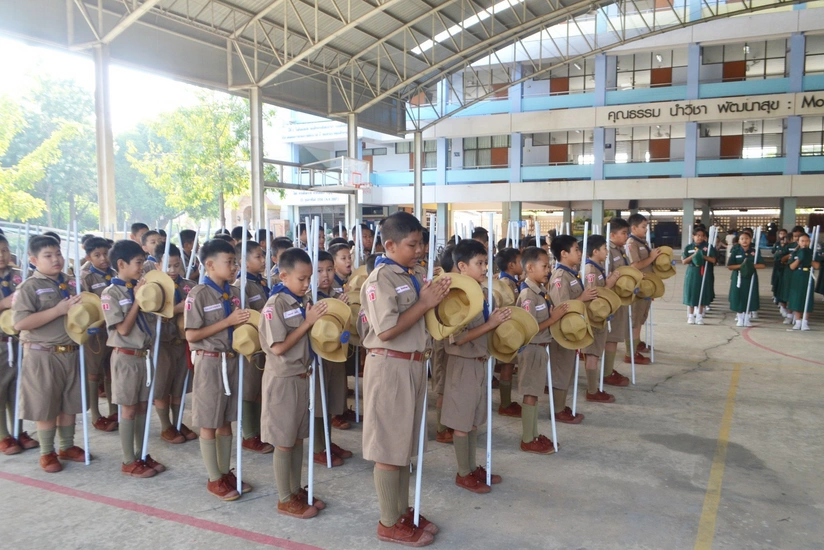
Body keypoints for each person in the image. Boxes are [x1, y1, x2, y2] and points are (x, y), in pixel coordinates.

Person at [360, 212, 450, 546]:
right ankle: (388, 522)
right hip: (390, 366)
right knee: (388, 447)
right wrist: (425, 302)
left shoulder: (412, 274)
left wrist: (435, 296)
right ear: (390, 245)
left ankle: (401, 512)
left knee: (403, 445)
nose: (419, 250)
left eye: (421, 244)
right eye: (412, 245)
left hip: (413, 364)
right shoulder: (380, 279)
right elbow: (386, 330)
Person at [260, 248, 328, 518]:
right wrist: (307, 323)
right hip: (283, 380)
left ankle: (295, 488)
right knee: (284, 441)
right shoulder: (274, 305)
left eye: (309, 278)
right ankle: (284, 498)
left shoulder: (302, 301)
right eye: (302, 279)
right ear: (284, 276)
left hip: (302, 376)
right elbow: (278, 347)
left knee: (297, 438)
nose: (306, 284)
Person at [12, 235, 87, 472]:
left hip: (70, 350)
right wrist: (58, 310)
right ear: (33, 260)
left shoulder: (72, 282)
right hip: (43, 353)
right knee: (45, 404)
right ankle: (47, 452)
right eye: (48, 255)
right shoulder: (29, 287)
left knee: (69, 402)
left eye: (58, 254)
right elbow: (20, 323)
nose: (56, 259)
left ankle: (67, 445)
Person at [185, 239, 252, 501]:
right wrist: (228, 321)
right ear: (210, 264)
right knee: (209, 421)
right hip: (210, 362)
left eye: (235, 262)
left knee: (226, 419)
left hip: (232, 361)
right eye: (229, 262)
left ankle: (225, 472)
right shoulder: (198, 294)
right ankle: (214, 478)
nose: (234, 266)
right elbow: (191, 335)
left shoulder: (234, 292)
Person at [442, 239, 509, 493]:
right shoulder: (456, 296)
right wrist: (490, 324)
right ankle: (463, 473)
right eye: (479, 263)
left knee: (472, 420)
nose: (484, 268)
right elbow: (456, 338)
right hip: (463, 363)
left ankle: (471, 466)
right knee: (461, 421)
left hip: (480, 361)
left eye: (485, 263)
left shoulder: (482, 291)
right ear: (462, 266)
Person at [102, 240, 166, 477]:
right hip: (126, 357)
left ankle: (141, 454)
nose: (142, 267)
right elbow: (123, 329)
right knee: (128, 409)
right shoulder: (111, 293)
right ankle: (128, 459)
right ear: (121, 264)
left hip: (144, 356)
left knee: (142, 407)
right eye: (138, 263)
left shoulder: (140, 287)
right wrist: (138, 300)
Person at [516, 246, 567, 453]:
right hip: (532, 349)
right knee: (530, 392)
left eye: (549, 266)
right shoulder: (528, 295)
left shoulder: (540, 291)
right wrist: (553, 319)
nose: (548, 270)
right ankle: (528, 439)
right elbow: (529, 326)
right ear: (530, 268)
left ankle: (534, 433)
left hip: (540, 348)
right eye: (544, 266)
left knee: (535, 392)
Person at [548, 235, 597, 423]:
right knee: (561, 369)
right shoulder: (560, 277)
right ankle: (557, 409)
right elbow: (562, 307)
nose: (580, 253)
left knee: (568, 368)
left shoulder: (571, 273)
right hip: (563, 331)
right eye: (576, 249)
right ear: (564, 253)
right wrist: (582, 298)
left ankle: (561, 405)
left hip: (573, 329)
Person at [152, 244, 197, 445]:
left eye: (176, 265)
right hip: (161, 343)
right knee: (162, 386)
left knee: (179, 384)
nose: (172, 270)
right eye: (168, 266)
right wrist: (176, 310)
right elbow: (150, 316)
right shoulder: (152, 288)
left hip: (182, 342)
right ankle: (166, 425)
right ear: (157, 265)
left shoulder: (189, 285)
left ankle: (178, 422)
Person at [231, 240, 274, 454]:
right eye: (258, 256)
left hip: (264, 343)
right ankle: (248, 434)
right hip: (250, 344)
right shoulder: (242, 285)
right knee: (248, 389)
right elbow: (245, 316)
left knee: (258, 389)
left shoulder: (261, 282)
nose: (263, 260)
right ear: (244, 262)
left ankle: (258, 430)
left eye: (263, 255)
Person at [312, 250, 354, 462]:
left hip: (334, 354)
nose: (325, 275)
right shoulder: (310, 298)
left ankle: (327, 441)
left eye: (329, 270)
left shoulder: (335, 295)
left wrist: (342, 307)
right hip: (317, 359)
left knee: (330, 399)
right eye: (319, 271)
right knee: (318, 402)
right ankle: (318, 446)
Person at [0, 234, 38, 455]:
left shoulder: (20, 276)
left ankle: (18, 429)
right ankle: (3, 434)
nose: (2, 255)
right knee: (1, 389)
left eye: (5, 250)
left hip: (18, 341)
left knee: (19, 388)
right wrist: (3, 303)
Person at [80, 237, 118, 432]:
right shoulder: (86, 278)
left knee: (111, 370)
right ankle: (95, 414)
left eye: (106, 254)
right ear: (88, 257)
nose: (103, 258)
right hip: (95, 332)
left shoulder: (116, 274)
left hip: (114, 330)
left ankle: (114, 410)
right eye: (97, 255)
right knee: (94, 373)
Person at [582, 234, 620, 402]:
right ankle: (592, 390)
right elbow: (593, 296)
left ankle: (593, 388)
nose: (607, 252)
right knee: (592, 353)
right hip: (594, 318)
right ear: (595, 251)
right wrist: (609, 284)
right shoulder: (591, 270)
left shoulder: (598, 268)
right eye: (604, 249)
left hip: (599, 317)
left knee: (595, 353)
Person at [625, 214, 659, 363]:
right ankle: (630, 352)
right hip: (638, 287)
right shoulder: (632, 243)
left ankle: (637, 342)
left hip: (646, 286)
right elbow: (634, 266)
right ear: (634, 228)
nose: (646, 229)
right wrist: (651, 257)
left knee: (641, 318)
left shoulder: (642, 241)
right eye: (643, 227)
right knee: (635, 319)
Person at [603, 219, 634, 381]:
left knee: (615, 337)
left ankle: (608, 369)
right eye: (623, 233)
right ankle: (607, 372)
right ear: (612, 234)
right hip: (612, 300)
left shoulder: (620, 249)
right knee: (612, 337)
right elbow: (607, 277)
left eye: (626, 233)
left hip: (621, 298)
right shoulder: (608, 251)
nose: (626, 236)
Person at [494, 247, 522, 417]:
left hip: (512, 328)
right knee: (507, 365)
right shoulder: (505, 283)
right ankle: (505, 403)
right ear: (511, 265)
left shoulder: (512, 281)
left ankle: (507, 401)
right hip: (507, 330)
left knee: (509, 365)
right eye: (520, 262)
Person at [433, 244, 457, 444]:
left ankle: (449, 422)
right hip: (442, 340)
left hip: (455, 341)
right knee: (442, 385)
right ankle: (441, 428)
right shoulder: (441, 285)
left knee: (451, 384)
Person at [726, 230, 764, 327]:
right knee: (738, 296)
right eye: (742, 239)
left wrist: (750, 265)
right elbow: (730, 266)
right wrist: (742, 265)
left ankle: (747, 318)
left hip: (751, 277)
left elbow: (762, 265)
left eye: (747, 238)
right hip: (738, 277)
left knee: (749, 296)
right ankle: (740, 318)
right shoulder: (735, 251)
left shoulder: (754, 251)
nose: (744, 240)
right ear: (739, 240)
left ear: (750, 239)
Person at [682, 227, 716, 325]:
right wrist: (694, 255)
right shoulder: (689, 247)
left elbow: (713, 260)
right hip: (692, 272)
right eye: (698, 235)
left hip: (703, 272)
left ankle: (700, 316)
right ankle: (690, 316)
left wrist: (702, 256)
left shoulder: (708, 247)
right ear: (693, 236)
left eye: (702, 236)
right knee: (691, 293)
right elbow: (684, 261)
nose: (700, 238)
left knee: (702, 293)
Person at [786, 232, 818, 331]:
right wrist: (800, 259)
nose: (804, 243)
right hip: (797, 275)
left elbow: (817, 266)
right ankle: (798, 321)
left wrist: (809, 258)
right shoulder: (795, 253)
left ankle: (805, 322)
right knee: (796, 298)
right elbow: (791, 267)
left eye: (807, 241)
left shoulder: (813, 252)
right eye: (802, 241)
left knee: (807, 298)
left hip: (807, 275)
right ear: (798, 242)